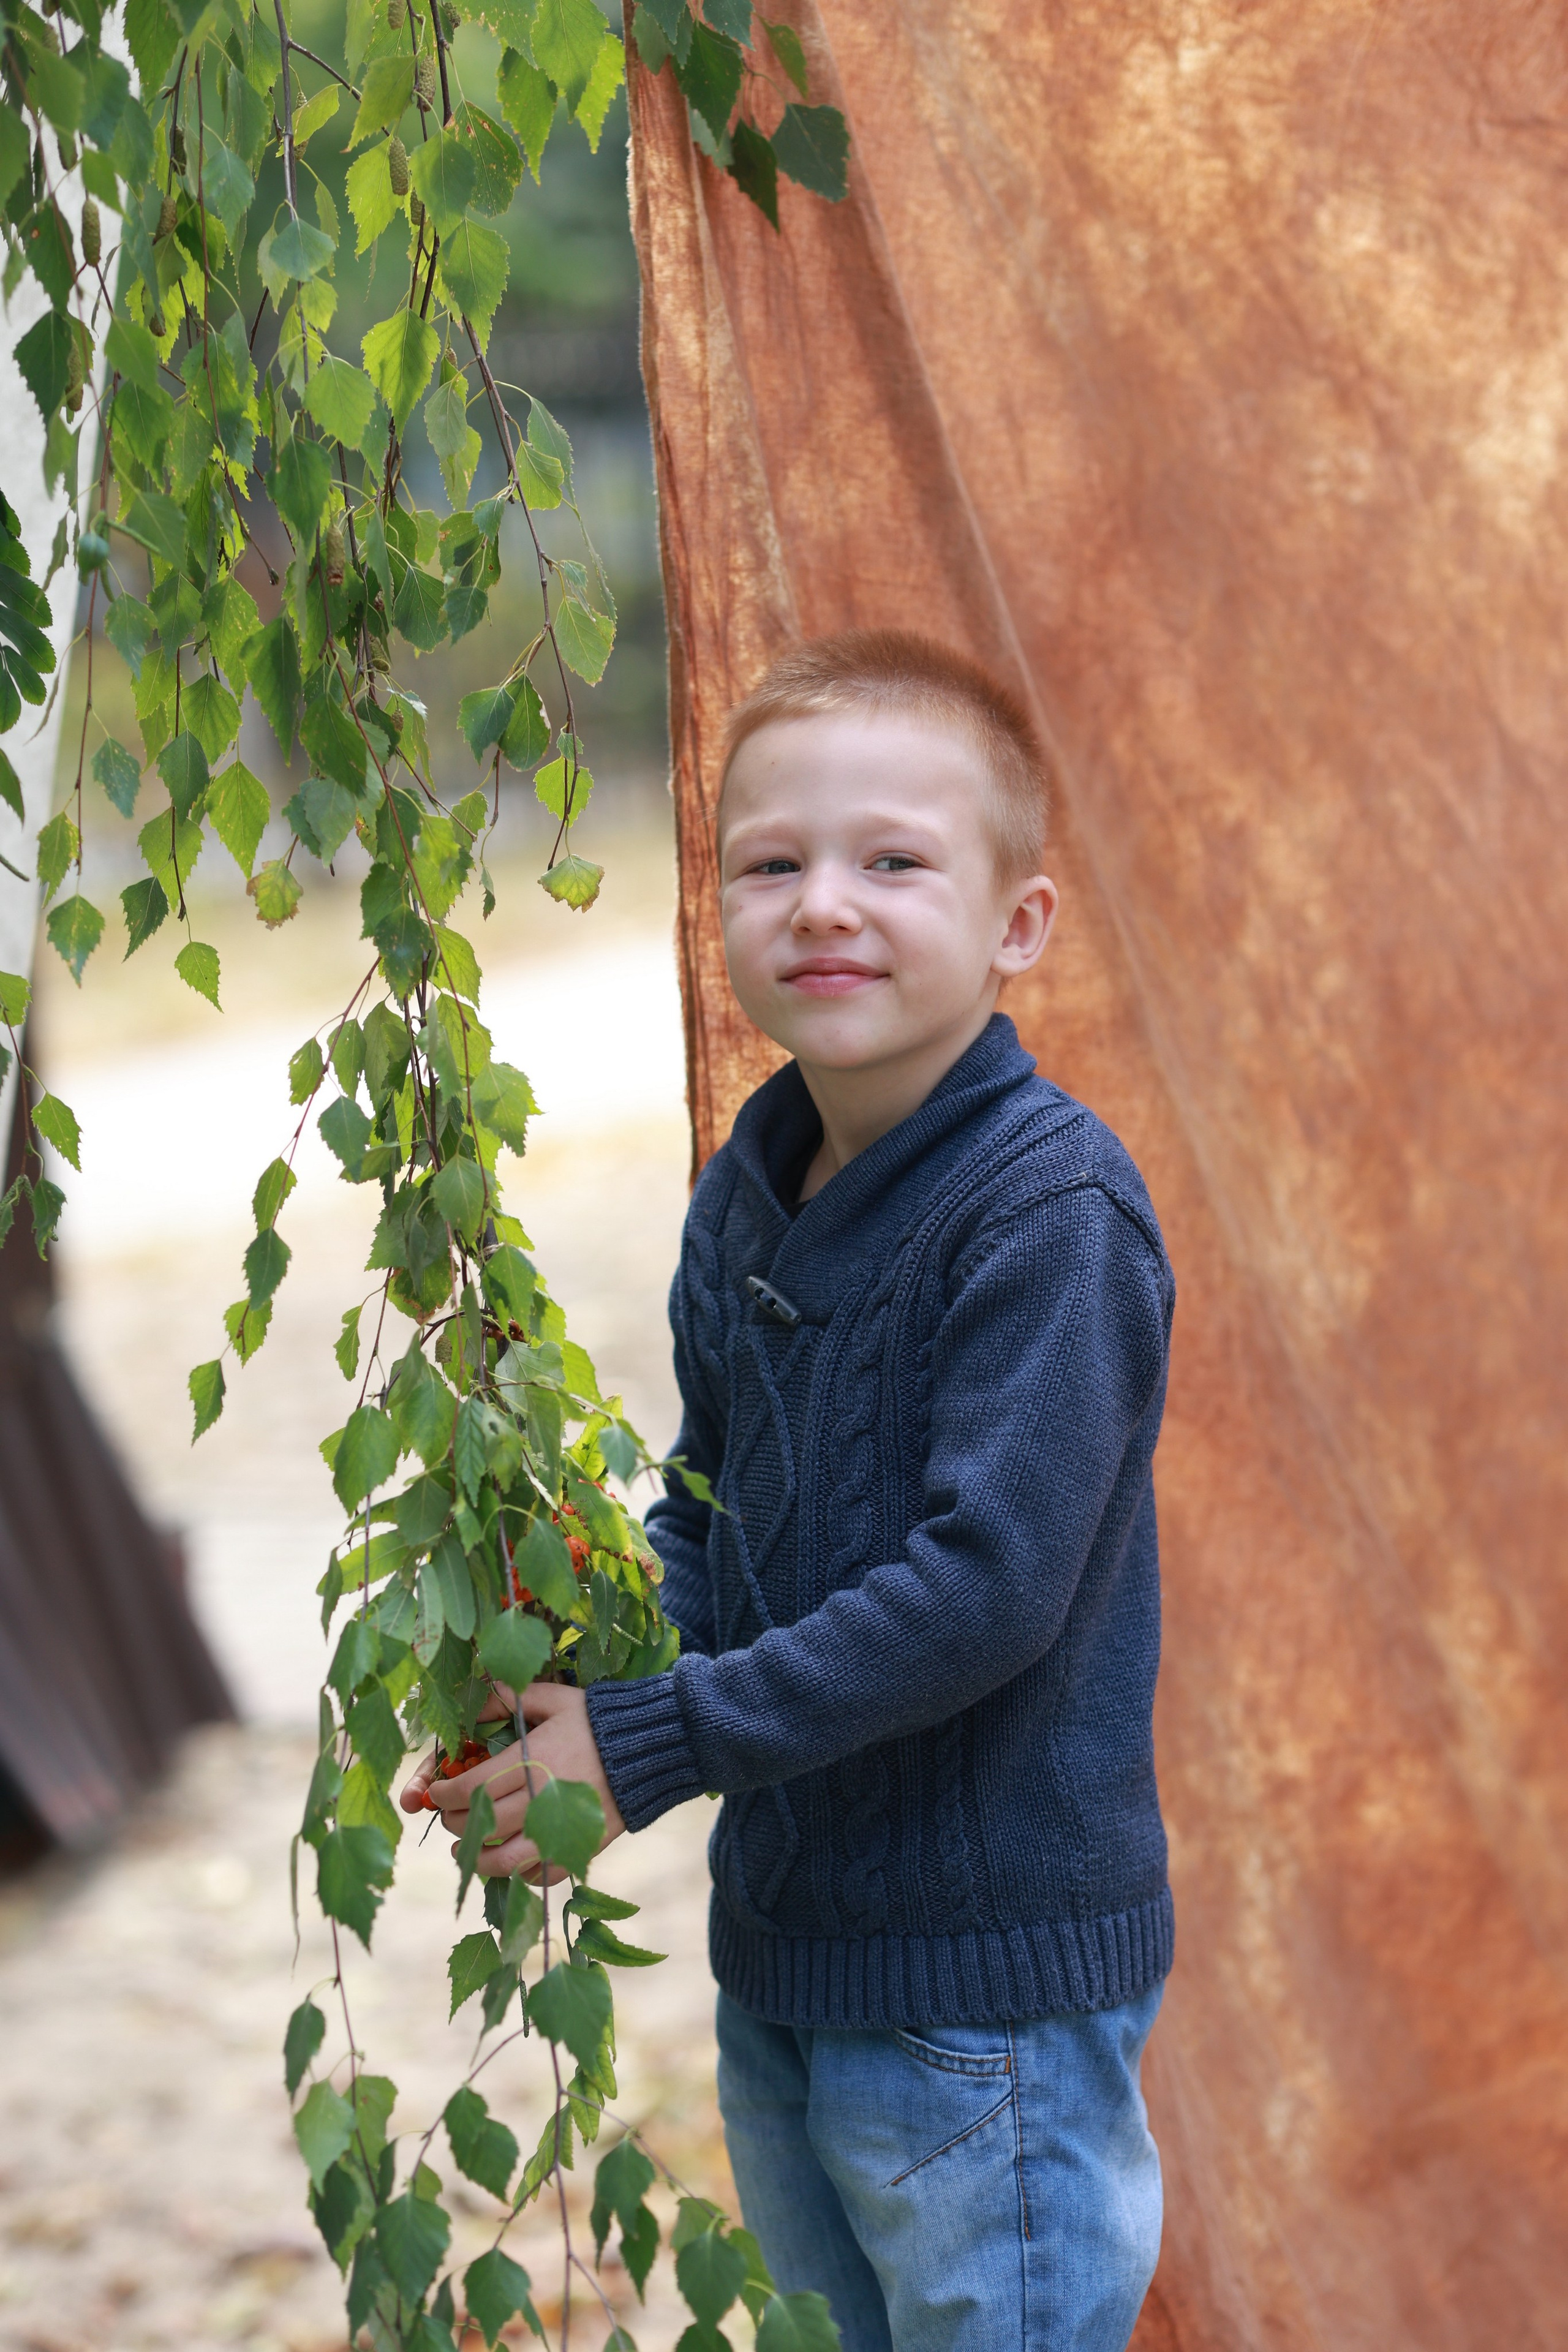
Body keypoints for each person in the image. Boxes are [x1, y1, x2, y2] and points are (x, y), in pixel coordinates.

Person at [403, 630, 1175, 2352]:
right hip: (792, 1952)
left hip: (990, 1998)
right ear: (723, 911)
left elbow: (985, 1588)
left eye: (894, 862)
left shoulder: (1049, 1214)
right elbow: (709, 1522)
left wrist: (656, 1741)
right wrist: (579, 1690)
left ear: (1015, 926)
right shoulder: (746, 1194)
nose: (825, 901)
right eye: (774, 864)